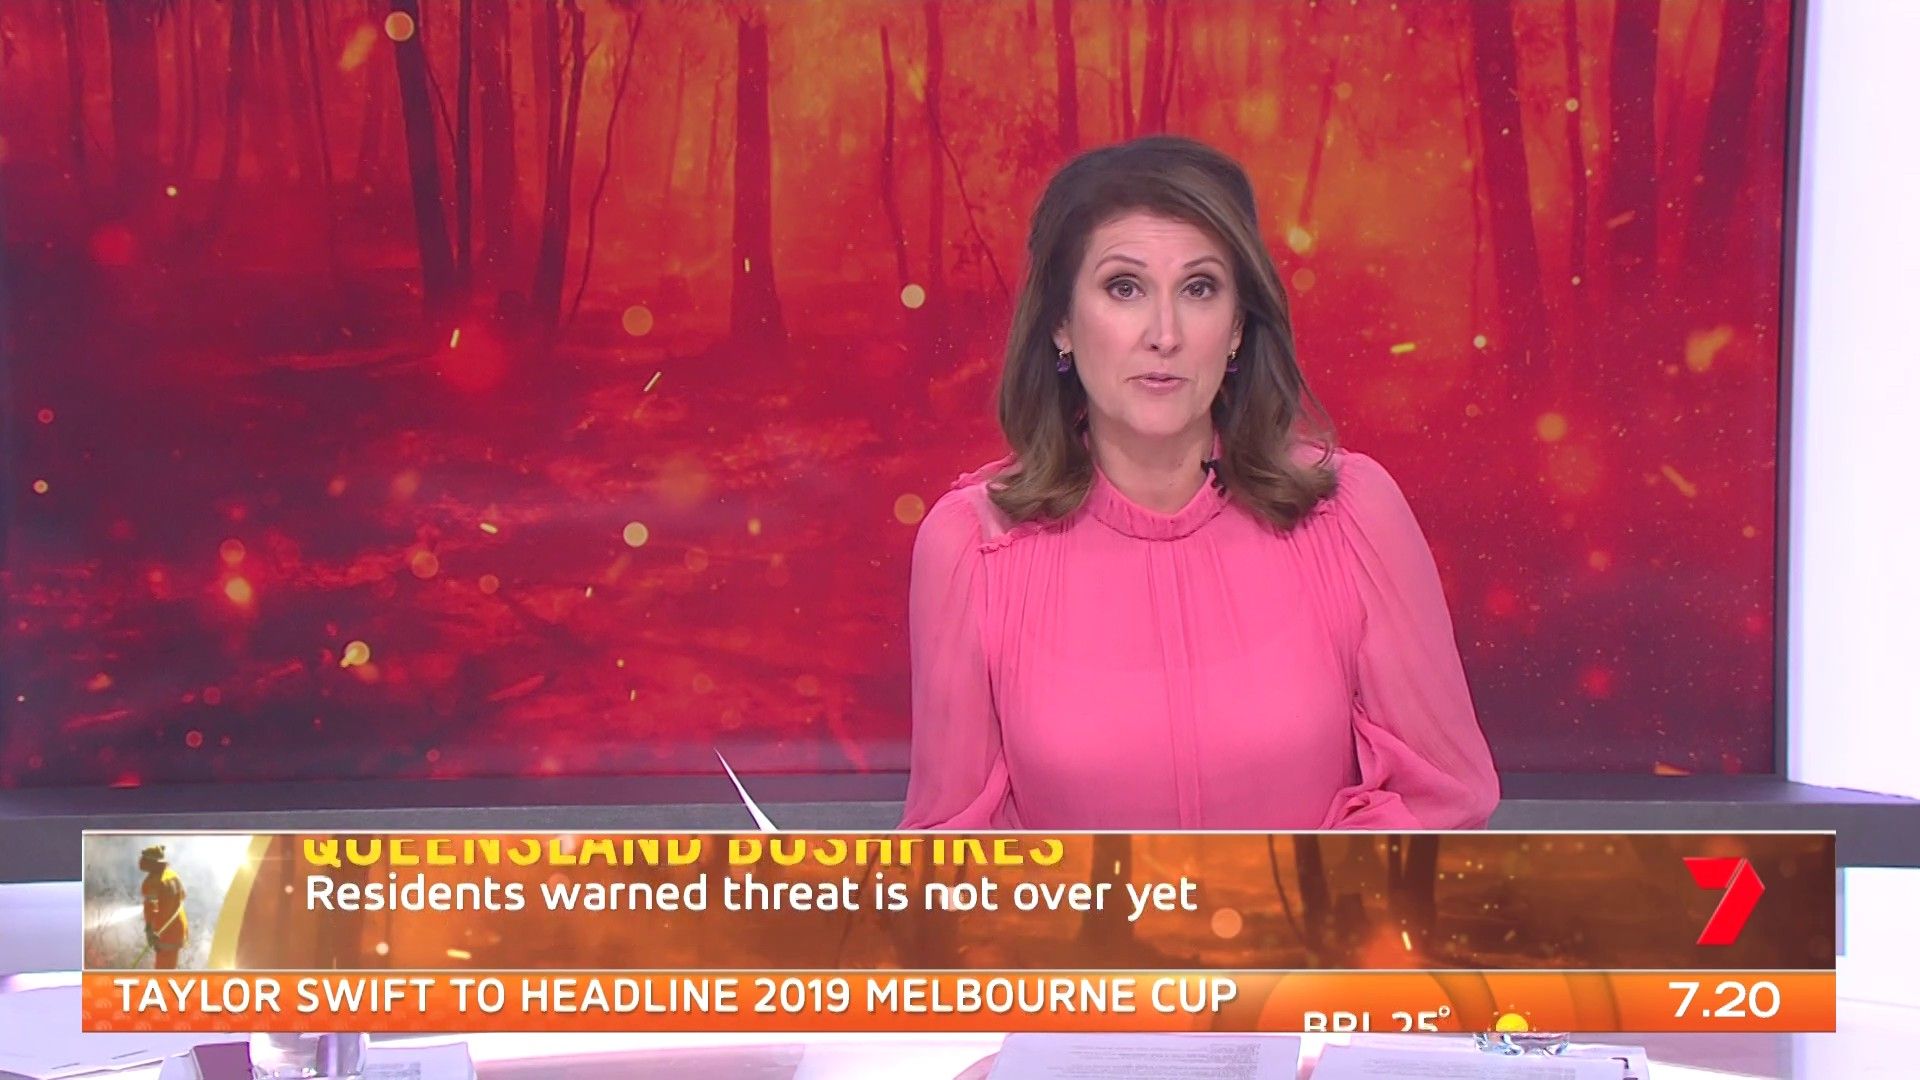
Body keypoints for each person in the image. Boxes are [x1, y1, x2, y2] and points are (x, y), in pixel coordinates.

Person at [901, 136, 1499, 831]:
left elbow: (1443, 802)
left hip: (1316, 907)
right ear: (1061, 322)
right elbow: (953, 853)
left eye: (1199, 289)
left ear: (1238, 325)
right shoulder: (972, 547)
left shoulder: (1350, 514)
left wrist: (1287, 897)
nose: (1165, 333)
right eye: (1124, 288)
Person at [139, 845, 188, 969]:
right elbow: (183, 895)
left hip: (165, 934)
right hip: (178, 929)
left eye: (144, 859)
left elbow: (150, 909)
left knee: (163, 972)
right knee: (169, 968)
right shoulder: (172, 875)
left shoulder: (152, 882)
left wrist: (149, 931)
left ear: (152, 862)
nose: (141, 862)